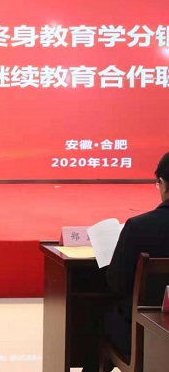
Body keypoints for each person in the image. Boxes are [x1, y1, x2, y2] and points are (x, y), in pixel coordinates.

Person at [88, 151, 169, 371]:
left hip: (145, 332)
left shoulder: (139, 227)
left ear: (163, 184)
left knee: (97, 317)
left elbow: (117, 282)